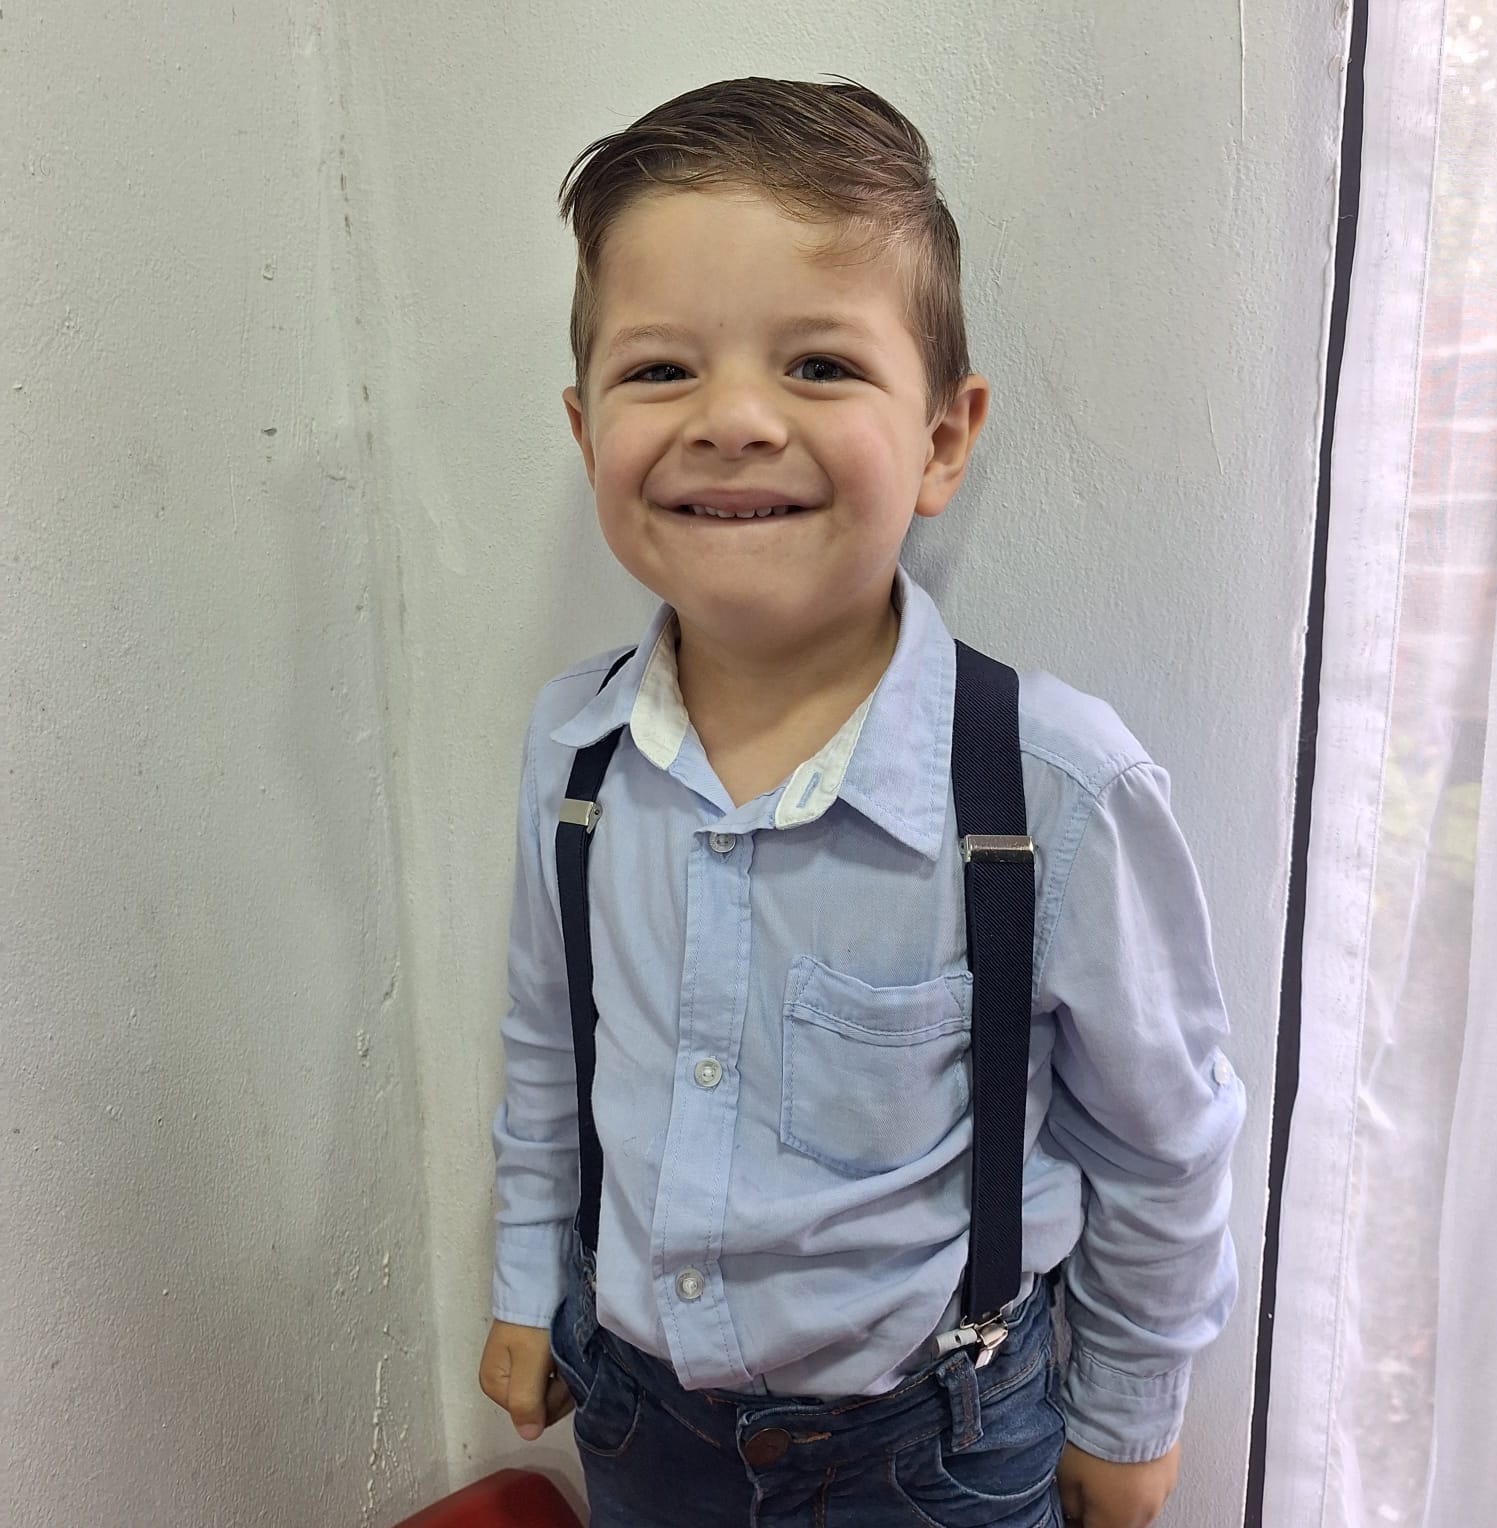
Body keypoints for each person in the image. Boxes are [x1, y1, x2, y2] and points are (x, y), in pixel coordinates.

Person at [479, 75, 1245, 1528]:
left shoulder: (1052, 786)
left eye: (819, 364)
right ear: (585, 432)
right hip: (640, 1419)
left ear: (944, 439)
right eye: (662, 370)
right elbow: (546, 1049)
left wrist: (1130, 1414)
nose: (734, 420)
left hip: (934, 1449)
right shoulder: (573, 752)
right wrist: (530, 1283)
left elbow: (1163, 1140)